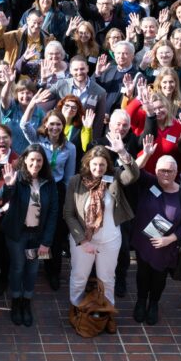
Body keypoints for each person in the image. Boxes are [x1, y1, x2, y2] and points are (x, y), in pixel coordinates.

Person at [64, 134, 140, 330]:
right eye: (95, 165)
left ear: (108, 165)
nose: (98, 169)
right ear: (88, 164)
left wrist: (122, 152)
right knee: (79, 276)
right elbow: (69, 214)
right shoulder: (75, 181)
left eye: (102, 165)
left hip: (110, 239)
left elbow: (133, 175)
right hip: (83, 241)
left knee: (107, 278)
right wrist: (83, 241)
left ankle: (107, 313)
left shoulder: (114, 178)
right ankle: (76, 309)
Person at [0, 145, 58, 327]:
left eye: (39, 160)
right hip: (17, 235)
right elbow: (1, 201)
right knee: (18, 267)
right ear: (25, 160)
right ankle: (16, 301)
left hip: (37, 236)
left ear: (44, 162)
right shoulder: (16, 178)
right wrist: (9, 185)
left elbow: (53, 213)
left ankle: (26, 301)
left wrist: (47, 242)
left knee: (32, 269)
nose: (35, 163)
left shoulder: (49, 183)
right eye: (32, 159)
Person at [130, 155, 181, 325]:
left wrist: (170, 239)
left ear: (176, 172)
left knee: (159, 277)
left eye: (170, 171)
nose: (166, 174)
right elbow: (134, 169)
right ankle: (141, 301)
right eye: (162, 170)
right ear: (156, 171)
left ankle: (153, 304)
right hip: (144, 242)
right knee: (142, 273)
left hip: (166, 245)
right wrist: (145, 154)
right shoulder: (149, 182)